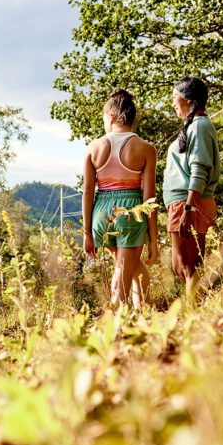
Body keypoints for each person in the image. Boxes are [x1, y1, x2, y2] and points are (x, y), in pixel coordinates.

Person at [82, 88, 159, 308]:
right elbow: (149, 197)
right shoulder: (145, 149)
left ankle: (145, 312)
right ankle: (116, 317)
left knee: (134, 269)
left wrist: (87, 233)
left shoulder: (93, 147)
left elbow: (88, 192)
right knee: (124, 270)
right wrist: (153, 240)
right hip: (130, 211)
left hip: (101, 212)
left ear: (111, 117)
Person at [163, 76, 220, 300]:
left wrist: (189, 209)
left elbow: (200, 170)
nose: (173, 103)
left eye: (175, 97)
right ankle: (199, 312)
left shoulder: (201, 126)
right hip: (182, 204)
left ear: (188, 99)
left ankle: (196, 319)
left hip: (189, 204)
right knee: (180, 269)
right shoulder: (195, 126)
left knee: (189, 269)